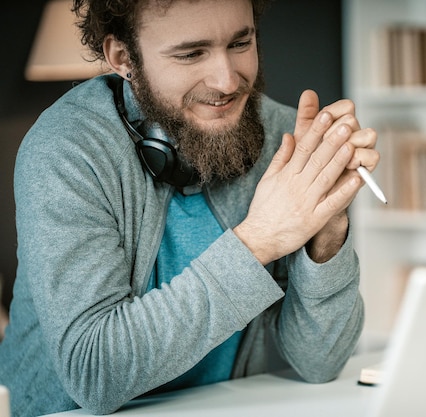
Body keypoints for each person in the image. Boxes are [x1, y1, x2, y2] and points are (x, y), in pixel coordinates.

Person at [0, 0, 379, 416]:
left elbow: (320, 361)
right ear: (123, 57)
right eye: (190, 54)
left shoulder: (281, 136)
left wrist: (326, 228)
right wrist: (260, 239)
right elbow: (95, 372)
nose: (227, 80)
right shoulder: (64, 150)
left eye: (240, 43)